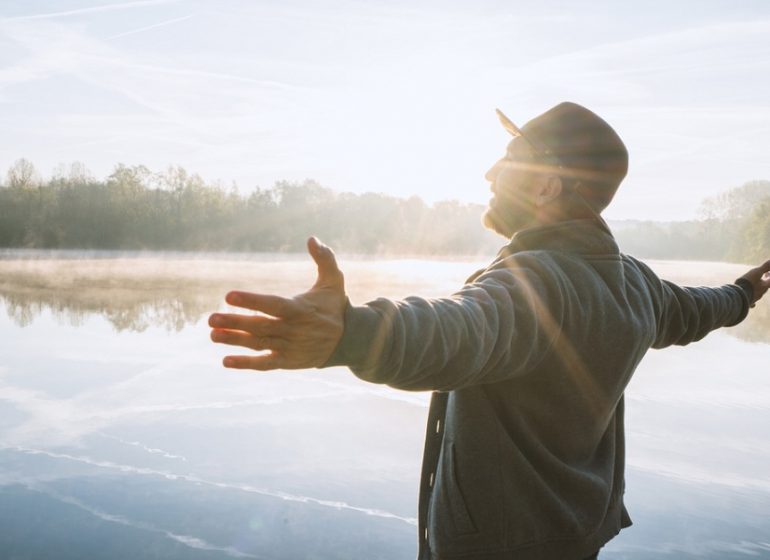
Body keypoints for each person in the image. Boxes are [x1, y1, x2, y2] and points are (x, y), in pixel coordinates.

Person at [208, 102, 770, 560]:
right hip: (578, 535)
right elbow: (699, 309)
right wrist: (743, 293)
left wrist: (354, 334)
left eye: (509, 159)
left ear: (548, 186)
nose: (490, 173)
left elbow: (464, 329)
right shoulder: (635, 284)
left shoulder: (538, 283)